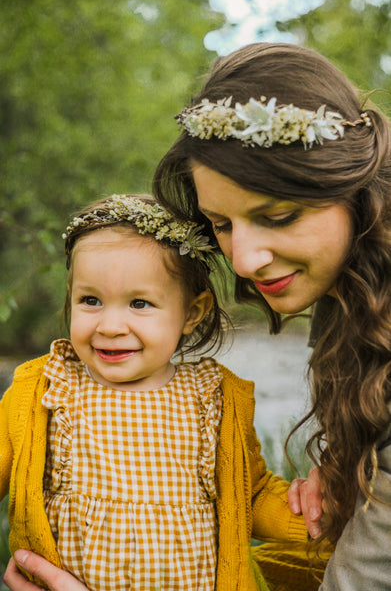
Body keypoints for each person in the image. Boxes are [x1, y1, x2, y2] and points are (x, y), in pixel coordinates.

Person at [151, 42, 391, 590]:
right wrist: (349, 471)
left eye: (278, 216)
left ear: (351, 186)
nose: (243, 260)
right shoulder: (352, 289)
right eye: (222, 223)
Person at [0, 193, 314, 591]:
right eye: (90, 300)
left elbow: (249, 497)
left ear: (191, 313)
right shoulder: (45, 390)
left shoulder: (214, 399)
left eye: (140, 303)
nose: (111, 325)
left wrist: (314, 518)